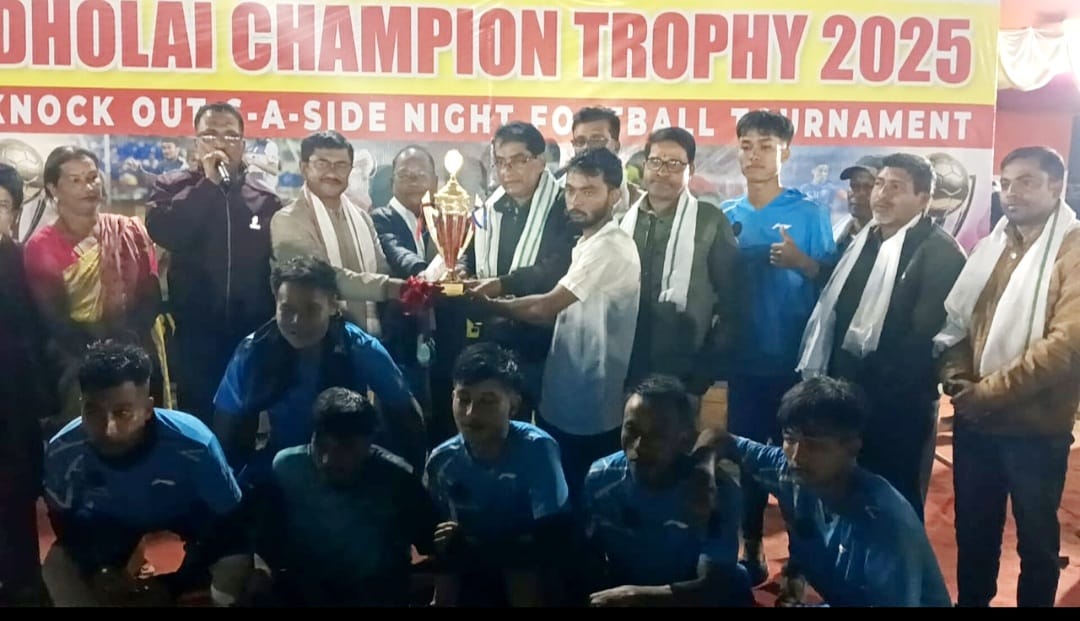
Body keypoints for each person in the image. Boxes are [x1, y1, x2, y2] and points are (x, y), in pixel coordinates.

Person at [936, 146, 1080, 608]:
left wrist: (986, 394)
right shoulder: (992, 246)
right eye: (1006, 183)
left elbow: (1066, 346)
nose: (1011, 193)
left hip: (1035, 428)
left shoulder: (1072, 250)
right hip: (977, 422)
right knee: (974, 531)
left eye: (1026, 182)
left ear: (1056, 186)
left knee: (1036, 544)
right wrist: (957, 375)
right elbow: (958, 323)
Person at [798, 153, 966, 520]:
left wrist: (867, 392)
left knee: (895, 506)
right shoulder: (863, 240)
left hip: (899, 409)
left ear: (923, 199)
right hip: (848, 401)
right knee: (847, 502)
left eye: (896, 187)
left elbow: (921, 342)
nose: (882, 195)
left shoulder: (941, 253)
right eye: (880, 184)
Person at [692, 377, 952, 607]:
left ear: (852, 447)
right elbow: (719, 438)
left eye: (815, 445)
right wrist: (704, 474)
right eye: (790, 438)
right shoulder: (787, 471)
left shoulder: (885, 524)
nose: (797, 456)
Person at [475, 148, 640, 504]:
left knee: (582, 502)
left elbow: (544, 307)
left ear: (614, 195)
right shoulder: (587, 242)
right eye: (570, 190)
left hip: (590, 405)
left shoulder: (610, 247)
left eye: (589, 191)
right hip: (565, 394)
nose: (576, 201)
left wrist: (489, 305)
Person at [41, 341, 252, 607]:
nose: (108, 428)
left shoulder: (195, 444)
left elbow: (230, 523)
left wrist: (176, 583)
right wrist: (100, 568)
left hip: (188, 517)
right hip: (110, 524)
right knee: (56, 567)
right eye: (93, 411)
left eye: (123, 413)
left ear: (149, 408)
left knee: (236, 564)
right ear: (81, 405)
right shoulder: (63, 451)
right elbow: (66, 525)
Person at [720, 110, 836, 583]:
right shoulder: (725, 216)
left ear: (785, 152)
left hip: (795, 365)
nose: (754, 155)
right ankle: (750, 545)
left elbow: (833, 287)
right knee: (747, 460)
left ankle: (802, 562)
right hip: (743, 364)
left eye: (765, 146)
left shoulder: (809, 213)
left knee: (801, 464)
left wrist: (801, 262)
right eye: (746, 145)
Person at [213, 255, 424, 484]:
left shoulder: (358, 347)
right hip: (281, 468)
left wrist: (411, 482)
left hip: (349, 466)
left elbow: (407, 414)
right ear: (275, 303)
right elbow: (226, 432)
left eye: (311, 310)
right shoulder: (253, 351)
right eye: (287, 309)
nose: (297, 320)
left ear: (333, 305)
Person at [146, 102, 283, 425]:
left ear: (244, 145)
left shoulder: (266, 200)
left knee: (243, 420)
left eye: (231, 136)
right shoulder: (171, 186)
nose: (221, 142)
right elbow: (167, 232)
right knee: (198, 419)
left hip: (248, 334)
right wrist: (207, 185)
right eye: (210, 134)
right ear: (196, 143)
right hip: (194, 333)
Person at [253, 387, 438, 606]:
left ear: (368, 444)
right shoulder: (286, 469)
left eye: (345, 448)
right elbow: (262, 541)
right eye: (321, 446)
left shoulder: (397, 481)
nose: (327, 460)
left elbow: (436, 546)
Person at [23, 146, 164, 432]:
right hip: (76, 358)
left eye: (92, 177)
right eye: (75, 180)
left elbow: (150, 295)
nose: (88, 186)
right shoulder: (42, 246)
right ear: (53, 188)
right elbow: (55, 321)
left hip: (134, 349)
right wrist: (101, 357)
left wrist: (127, 349)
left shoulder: (128, 231)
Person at [583, 375, 750, 607]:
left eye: (657, 434)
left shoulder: (713, 492)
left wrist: (636, 597)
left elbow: (714, 586)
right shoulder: (600, 478)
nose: (639, 446)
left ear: (685, 439)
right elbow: (590, 560)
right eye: (631, 429)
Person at [425, 343, 571, 607]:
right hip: (471, 559)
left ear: (513, 405)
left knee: (522, 568)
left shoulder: (538, 449)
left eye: (487, 401)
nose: (471, 413)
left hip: (526, 561)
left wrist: (479, 544)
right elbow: (438, 534)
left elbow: (554, 536)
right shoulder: (442, 461)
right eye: (463, 399)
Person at [622, 127, 741, 399]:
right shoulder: (624, 222)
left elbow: (733, 302)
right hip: (625, 361)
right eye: (655, 162)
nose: (663, 172)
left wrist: (706, 368)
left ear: (691, 169)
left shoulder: (709, 221)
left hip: (685, 368)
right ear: (645, 165)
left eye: (674, 164)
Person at [270, 130, 406, 338]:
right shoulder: (287, 219)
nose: (332, 173)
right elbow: (318, 278)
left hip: (367, 339)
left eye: (341, 165)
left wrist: (414, 287)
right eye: (322, 164)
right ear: (304, 168)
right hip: (313, 340)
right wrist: (389, 287)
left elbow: (381, 269)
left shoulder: (362, 218)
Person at [0, 163, 50, 606]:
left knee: (17, 499)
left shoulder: (23, 261)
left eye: (1, 204)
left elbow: (38, 333)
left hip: (15, 404)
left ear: (15, 212)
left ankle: (25, 587)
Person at [371, 145, 441, 433]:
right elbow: (396, 252)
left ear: (435, 181)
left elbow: (462, 253)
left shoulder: (444, 218)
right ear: (392, 182)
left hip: (444, 338)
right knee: (400, 421)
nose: (413, 181)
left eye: (420, 175)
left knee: (442, 417)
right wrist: (428, 273)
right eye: (404, 175)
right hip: (399, 337)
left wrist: (458, 267)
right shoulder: (380, 218)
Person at [564, 107, 643, 219]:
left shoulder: (638, 202)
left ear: (616, 146)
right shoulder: (557, 197)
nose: (587, 148)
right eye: (580, 142)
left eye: (597, 140)